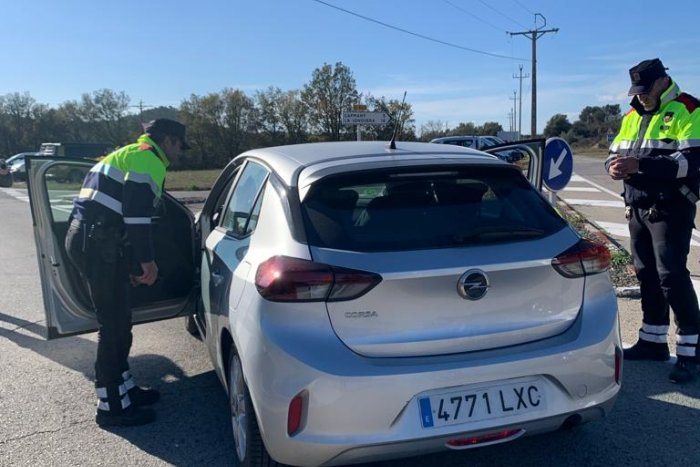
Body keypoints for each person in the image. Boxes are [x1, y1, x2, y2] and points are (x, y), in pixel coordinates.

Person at [64, 118, 190, 426]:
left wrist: (131, 263)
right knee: (113, 327)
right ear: (169, 140)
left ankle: (123, 390)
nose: (181, 153)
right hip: (98, 244)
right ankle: (111, 409)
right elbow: (137, 219)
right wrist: (147, 263)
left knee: (121, 321)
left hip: (95, 241)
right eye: (180, 146)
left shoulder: (130, 153)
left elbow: (121, 213)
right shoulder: (148, 159)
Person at [606, 58, 700, 383]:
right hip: (637, 206)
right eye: (637, 91)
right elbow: (613, 151)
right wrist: (612, 167)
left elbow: (692, 162)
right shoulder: (632, 115)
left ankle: (692, 352)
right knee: (646, 273)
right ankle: (653, 340)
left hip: (670, 207)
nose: (642, 96)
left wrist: (640, 166)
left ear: (662, 81)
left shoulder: (689, 108)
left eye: (646, 90)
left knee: (671, 276)